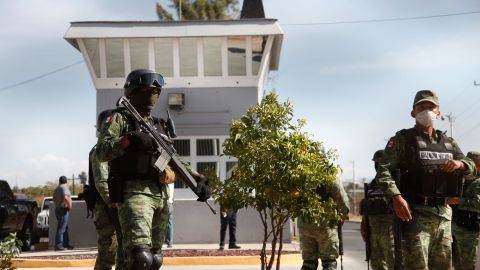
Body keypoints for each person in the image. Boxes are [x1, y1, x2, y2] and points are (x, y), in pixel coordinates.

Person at [96, 69, 211, 270]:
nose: (152, 95)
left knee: (155, 260)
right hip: (134, 193)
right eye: (146, 90)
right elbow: (102, 151)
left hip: (160, 194)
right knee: (140, 258)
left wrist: (197, 179)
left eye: (156, 91)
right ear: (132, 91)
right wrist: (128, 140)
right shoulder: (120, 119)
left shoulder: (156, 125)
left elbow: (172, 158)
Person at [376, 90, 476, 269]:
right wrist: (396, 197)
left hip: (443, 217)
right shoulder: (402, 140)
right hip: (415, 215)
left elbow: (471, 167)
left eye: (431, 107)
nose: (426, 111)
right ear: (413, 113)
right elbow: (383, 172)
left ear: (438, 112)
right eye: (421, 107)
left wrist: (460, 164)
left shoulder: (448, 142)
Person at [89, 109, 125, 270]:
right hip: (107, 207)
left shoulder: (116, 150)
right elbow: (101, 181)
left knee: (125, 252)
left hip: (117, 206)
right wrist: (114, 203)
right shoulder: (100, 150)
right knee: (107, 253)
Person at [298, 179, 349, 270]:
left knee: (308, 262)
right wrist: (342, 216)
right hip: (325, 226)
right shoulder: (329, 177)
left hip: (305, 226)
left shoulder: (302, 176)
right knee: (329, 262)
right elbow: (342, 201)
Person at [360, 150, 394, 270]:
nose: (377, 166)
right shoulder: (371, 185)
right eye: (376, 163)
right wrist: (363, 226)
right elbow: (366, 209)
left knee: (393, 264)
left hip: (391, 232)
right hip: (373, 233)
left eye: (380, 163)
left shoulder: (394, 183)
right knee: (377, 265)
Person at [450, 151, 480, 270]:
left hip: (468, 231)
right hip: (455, 227)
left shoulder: (478, 182)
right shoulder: (462, 179)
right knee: (456, 264)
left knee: (467, 264)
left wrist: (458, 201)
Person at [53, 175, 74, 251]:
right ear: (66, 181)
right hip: (63, 210)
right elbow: (66, 197)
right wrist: (69, 205)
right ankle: (58, 245)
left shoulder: (57, 188)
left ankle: (65, 244)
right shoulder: (64, 187)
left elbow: (54, 199)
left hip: (58, 209)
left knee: (64, 227)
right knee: (61, 228)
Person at [164, 182, 174, 248]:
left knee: (167, 223)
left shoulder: (167, 177)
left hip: (167, 202)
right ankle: (169, 242)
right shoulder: (171, 177)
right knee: (169, 223)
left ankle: (168, 242)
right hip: (170, 202)